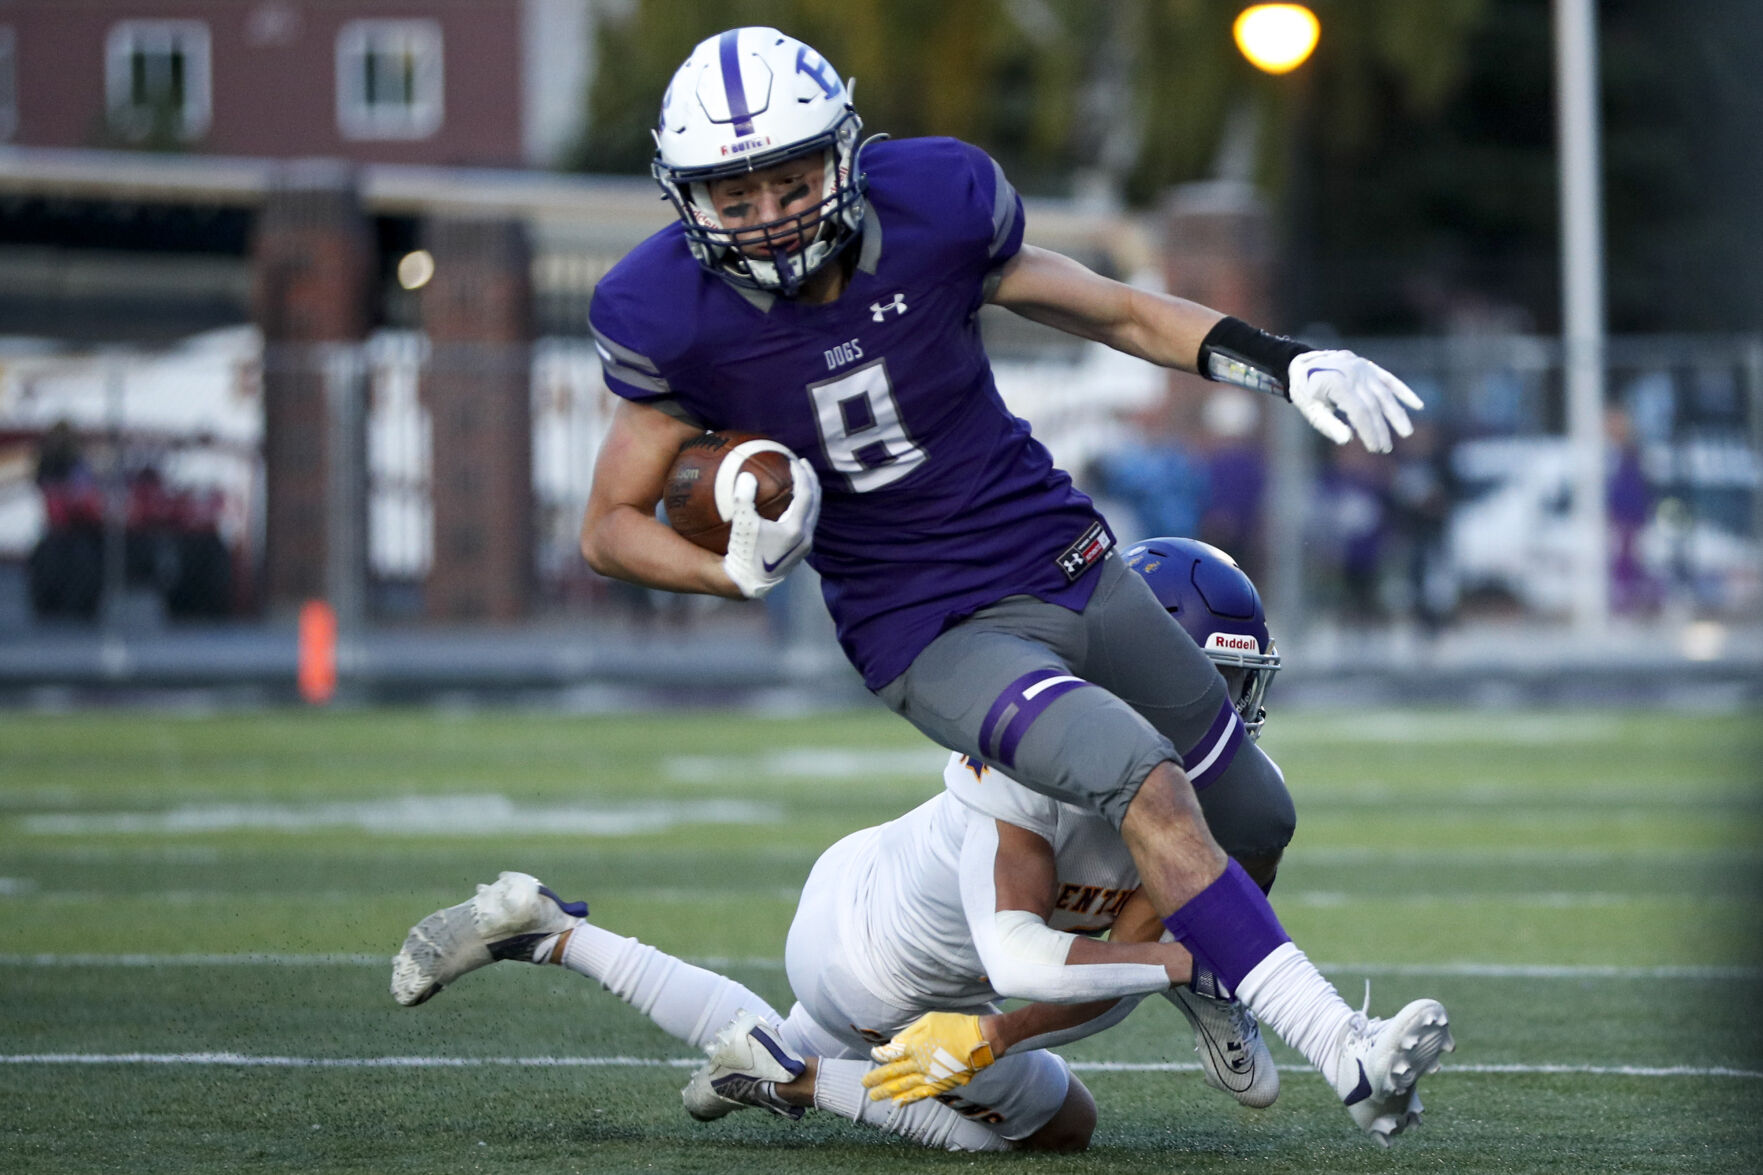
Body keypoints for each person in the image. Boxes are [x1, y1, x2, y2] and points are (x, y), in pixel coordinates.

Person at [578, 26, 1440, 1143]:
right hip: (929, 625)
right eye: (734, 197)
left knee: (1257, 811)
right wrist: (726, 569)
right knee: (1142, 776)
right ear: (686, 198)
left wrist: (1282, 360)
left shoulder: (933, 205)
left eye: (791, 180)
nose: (772, 214)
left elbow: (1118, 309)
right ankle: (1350, 1055)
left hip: (1060, 555)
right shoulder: (665, 311)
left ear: (842, 156)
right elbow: (606, 527)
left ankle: (1211, 969)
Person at [394, 539, 1451, 1152]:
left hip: (948, 948)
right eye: (1202, 684)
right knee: (1004, 1126)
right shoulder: (1032, 756)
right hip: (873, 949)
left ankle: (554, 932)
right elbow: (1025, 963)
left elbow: (1108, 957)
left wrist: (1188, 957)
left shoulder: (1216, 804)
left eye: (1228, 689)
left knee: (1037, 1093)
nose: (1211, 715)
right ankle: (795, 1077)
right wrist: (1206, 957)